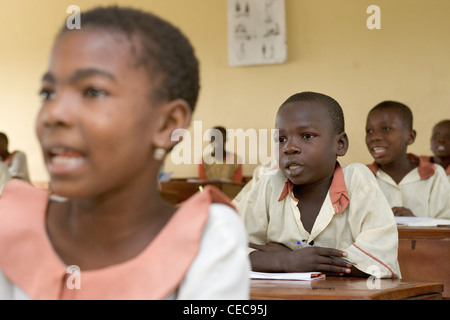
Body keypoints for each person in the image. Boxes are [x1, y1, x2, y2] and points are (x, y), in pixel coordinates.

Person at [0, 6, 250, 300]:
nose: (53, 113)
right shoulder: (12, 223)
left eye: (93, 92)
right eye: (48, 93)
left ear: (167, 124)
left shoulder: (207, 239)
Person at [236, 91, 401, 279]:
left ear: (340, 144)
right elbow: (229, 252)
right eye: (281, 139)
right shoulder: (270, 184)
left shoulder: (357, 180)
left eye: (306, 136)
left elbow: (378, 260)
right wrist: (288, 261)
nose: (290, 147)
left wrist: (279, 259)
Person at [365, 101, 450, 219]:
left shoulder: (434, 175)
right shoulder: (363, 178)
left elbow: (445, 227)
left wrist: (415, 223)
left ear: (410, 137)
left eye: (385, 129)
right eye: (369, 131)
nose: (375, 137)